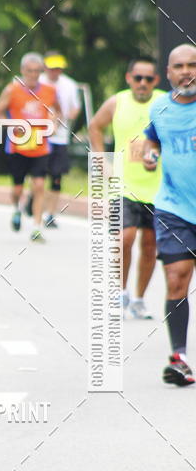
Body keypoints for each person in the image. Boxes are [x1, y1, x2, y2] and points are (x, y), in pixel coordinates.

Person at [89, 57, 165, 319]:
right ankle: (119, 292)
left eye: (148, 79)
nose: (142, 84)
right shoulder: (117, 102)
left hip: (159, 187)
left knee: (149, 245)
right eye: (137, 78)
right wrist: (102, 161)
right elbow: (94, 127)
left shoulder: (165, 103)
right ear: (129, 78)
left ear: (155, 81)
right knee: (125, 239)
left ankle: (139, 299)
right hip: (124, 185)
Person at [143, 43, 196, 386]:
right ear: (168, 73)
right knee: (177, 276)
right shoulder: (159, 108)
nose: (186, 72)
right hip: (173, 206)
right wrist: (149, 156)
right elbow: (151, 142)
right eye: (179, 66)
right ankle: (179, 357)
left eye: (193, 65)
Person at [0, 53, 60, 242]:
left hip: (41, 147)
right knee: (17, 189)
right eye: (29, 71)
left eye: (37, 71)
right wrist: (12, 125)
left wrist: (53, 124)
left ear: (42, 72)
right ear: (22, 71)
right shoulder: (11, 90)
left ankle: (37, 227)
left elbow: (56, 110)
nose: (33, 75)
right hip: (18, 146)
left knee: (39, 185)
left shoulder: (49, 91)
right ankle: (17, 209)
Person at [38, 51, 81, 228]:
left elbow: (75, 108)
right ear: (46, 67)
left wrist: (65, 118)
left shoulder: (69, 84)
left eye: (58, 69)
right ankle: (34, 203)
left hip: (60, 137)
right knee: (38, 176)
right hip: (39, 136)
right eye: (52, 68)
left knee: (56, 177)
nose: (55, 72)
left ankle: (50, 214)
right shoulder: (37, 82)